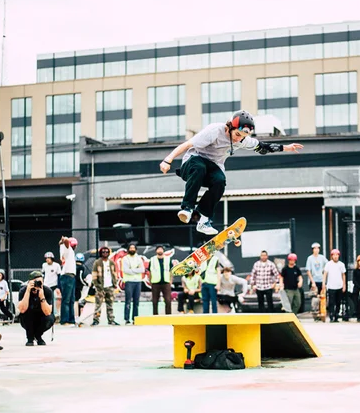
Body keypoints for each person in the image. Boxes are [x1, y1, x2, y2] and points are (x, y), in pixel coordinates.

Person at [159, 110, 304, 235]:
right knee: (200, 167)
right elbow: (188, 144)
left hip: (212, 168)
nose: (238, 139)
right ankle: (187, 208)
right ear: (230, 127)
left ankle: (203, 219)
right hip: (192, 163)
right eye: (237, 134)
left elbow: (262, 147)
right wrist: (168, 160)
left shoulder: (242, 140)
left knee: (220, 180)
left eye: (242, 136)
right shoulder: (214, 130)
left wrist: (286, 148)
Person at [17, 271, 55, 346]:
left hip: (41, 317)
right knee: (26, 315)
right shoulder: (23, 290)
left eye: (40, 282)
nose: (37, 284)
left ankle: (38, 335)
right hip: (28, 317)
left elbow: (48, 312)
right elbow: (22, 310)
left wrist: (42, 297)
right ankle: (30, 338)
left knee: (50, 318)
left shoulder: (47, 291)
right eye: (35, 282)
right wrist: (28, 291)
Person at [91, 246, 120, 326]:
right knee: (98, 305)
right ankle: (96, 320)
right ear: (101, 253)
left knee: (110, 305)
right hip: (100, 287)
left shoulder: (111, 262)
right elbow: (94, 275)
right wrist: (98, 286)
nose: (105, 253)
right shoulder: (97, 262)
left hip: (110, 286)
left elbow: (114, 274)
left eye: (106, 252)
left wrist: (115, 284)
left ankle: (111, 320)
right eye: (103, 252)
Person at [122, 243, 144, 324]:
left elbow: (142, 269)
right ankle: (126, 319)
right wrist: (136, 269)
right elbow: (126, 270)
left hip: (138, 281)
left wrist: (132, 269)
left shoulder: (139, 258)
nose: (132, 249)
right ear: (128, 250)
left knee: (136, 301)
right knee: (128, 301)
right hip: (129, 281)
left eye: (133, 248)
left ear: (136, 249)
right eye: (130, 248)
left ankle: (135, 318)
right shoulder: (125, 259)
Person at [322, 249, 346, 322]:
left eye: (337, 255)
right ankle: (331, 315)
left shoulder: (341, 264)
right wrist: (324, 283)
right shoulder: (328, 264)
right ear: (332, 256)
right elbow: (325, 274)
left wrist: (344, 285)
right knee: (331, 302)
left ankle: (336, 316)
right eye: (334, 255)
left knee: (338, 302)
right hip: (331, 286)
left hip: (339, 285)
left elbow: (343, 275)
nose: (335, 256)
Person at [58, 236, 77, 326]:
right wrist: (64, 239)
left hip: (70, 276)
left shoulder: (64, 249)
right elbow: (66, 241)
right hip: (67, 276)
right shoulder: (68, 249)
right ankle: (65, 320)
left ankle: (71, 320)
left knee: (71, 299)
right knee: (67, 300)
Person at [150, 245, 174, 315]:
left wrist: (171, 281)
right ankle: (155, 316)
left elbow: (171, 271)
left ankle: (168, 316)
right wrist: (150, 281)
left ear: (163, 251)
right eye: (158, 249)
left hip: (166, 282)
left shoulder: (168, 259)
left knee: (168, 300)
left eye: (161, 249)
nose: (160, 250)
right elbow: (150, 271)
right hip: (155, 282)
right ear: (156, 251)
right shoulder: (152, 259)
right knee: (155, 301)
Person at [75, 252, 91, 317]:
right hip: (78, 287)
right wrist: (86, 284)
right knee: (77, 301)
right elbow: (80, 278)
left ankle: (76, 316)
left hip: (73, 286)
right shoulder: (81, 267)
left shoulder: (73, 266)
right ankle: (77, 316)